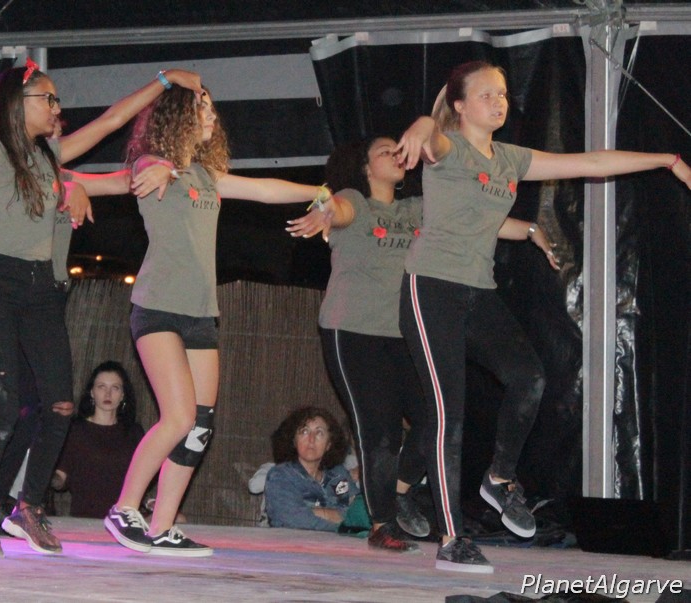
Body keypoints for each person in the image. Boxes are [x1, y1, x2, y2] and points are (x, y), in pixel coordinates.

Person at [0, 40, 200, 558]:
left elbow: (110, 123)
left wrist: (163, 80)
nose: (57, 107)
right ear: (19, 104)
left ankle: (29, 505)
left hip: (42, 289)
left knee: (60, 405)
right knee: (3, 409)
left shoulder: (51, 156)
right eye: (49, 98)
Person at [392, 60, 691, 574]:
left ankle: (498, 479)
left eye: (503, 94)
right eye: (487, 95)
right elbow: (429, 135)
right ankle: (451, 537)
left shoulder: (510, 158)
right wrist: (421, 125)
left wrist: (667, 159)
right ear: (460, 106)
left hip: (478, 290)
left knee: (528, 376)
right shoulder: (451, 148)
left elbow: (590, 163)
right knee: (448, 413)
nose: (499, 102)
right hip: (431, 288)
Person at [288, 136, 558, 552]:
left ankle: (399, 489)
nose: (395, 154)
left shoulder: (418, 208)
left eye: (398, 149)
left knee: (437, 419)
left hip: (406, 332)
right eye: (384, 151)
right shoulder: (355, 200)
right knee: (380, 431)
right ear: (365, 166)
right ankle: (381, 524)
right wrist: (323, 210)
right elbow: (337, 209)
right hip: (354, 332)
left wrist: (531, 230)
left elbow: (477, 222)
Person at [103, 85, 337, 557]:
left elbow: (264, 190)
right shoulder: (151, 164)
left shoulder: (207, 176)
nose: (213, 118)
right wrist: (163, 167)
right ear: (177, 118)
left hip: (200, 313)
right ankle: (124, 507)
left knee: (199, 425)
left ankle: (162, 525)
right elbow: (145, 171)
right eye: (203, 110)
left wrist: (320, 192)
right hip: (158, 308)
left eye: (212, 111)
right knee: (178, 416)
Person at [51, 361, 144, 518]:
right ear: (92, 392)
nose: (108, 394)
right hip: (87, 517)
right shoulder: (75, 430)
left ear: (123, 395)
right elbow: (60, 477)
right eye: (101, 387)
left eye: (115, 388)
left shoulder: (134, 433)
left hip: (126, 518)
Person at [264, 407, 361, 532]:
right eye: (304, 431)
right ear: (294, 441)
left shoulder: (338, 475)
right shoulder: (281, 476)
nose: (311, 439)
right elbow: (293, 519)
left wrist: (313, 511)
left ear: (329, 444)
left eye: (319, 433)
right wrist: (342, 524)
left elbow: (360, 514)